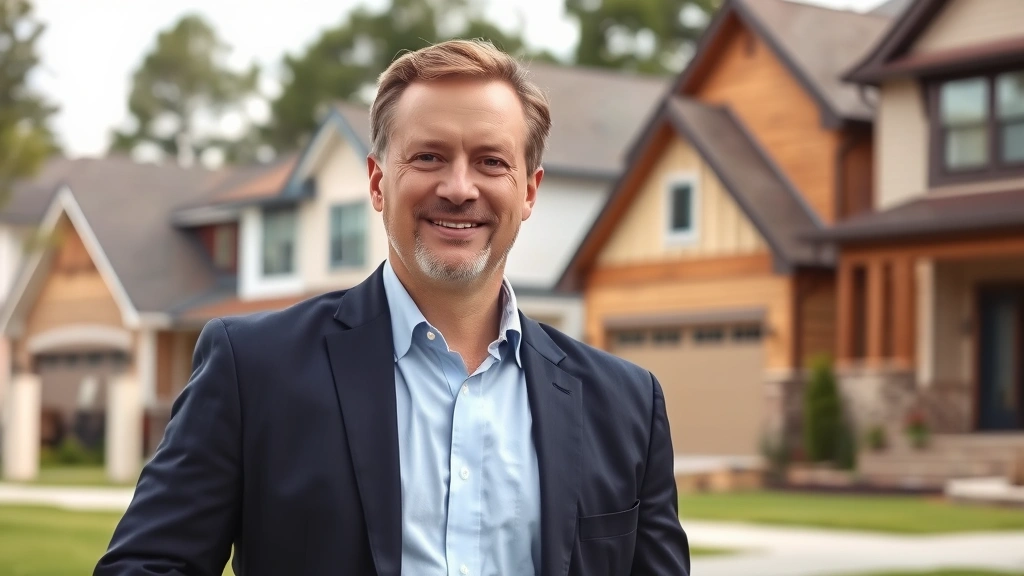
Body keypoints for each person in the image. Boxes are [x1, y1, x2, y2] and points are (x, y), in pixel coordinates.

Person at [95, 39, 690, 576]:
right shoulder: (252, 369)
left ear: (529, 190)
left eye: (491, 161)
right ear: (378, 183)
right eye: (429, 157)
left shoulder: (626, 404)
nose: (459, 188)